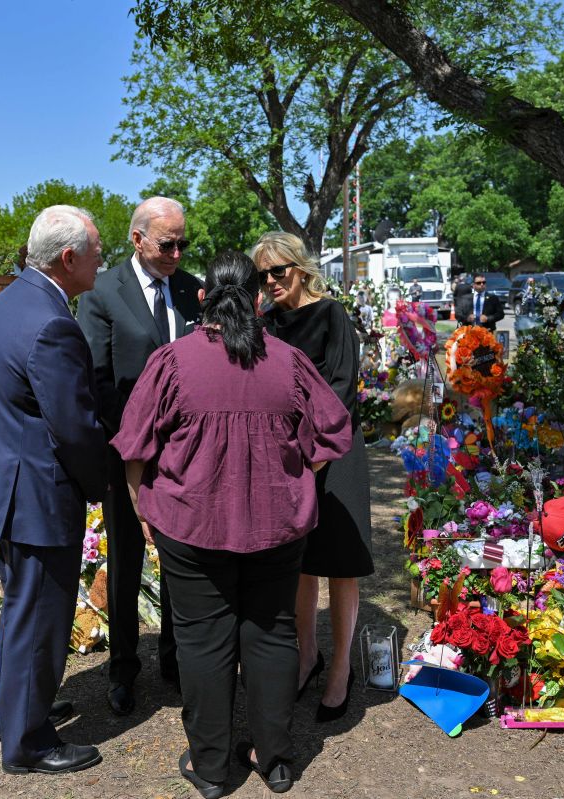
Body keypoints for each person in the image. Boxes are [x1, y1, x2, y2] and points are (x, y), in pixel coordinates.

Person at [112, 251, 352, 797]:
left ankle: (213, 767)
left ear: (203, 299)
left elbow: (134, 446)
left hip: (189, 523)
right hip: (277, 524)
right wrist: (301, 472)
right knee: (271, 633)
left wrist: (140, 506)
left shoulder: (172, 361)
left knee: (202, 639)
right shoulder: (288, 361)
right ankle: (277, 761)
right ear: (259, 298)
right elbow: (333, 431)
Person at [0, 205, 108, 775]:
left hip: (4, 485)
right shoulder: (53, 324)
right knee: (41, 614)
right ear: (69, 258)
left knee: (23, 608)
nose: (102, 262)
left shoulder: (11, 299)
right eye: (97, 252)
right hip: (36, 496)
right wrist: (105, 485)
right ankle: (28, 742)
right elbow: (74, 427)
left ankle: (14, 711)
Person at [76, 196, 203, 716]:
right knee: (126, 561)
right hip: (125, 451)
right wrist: (135, 441)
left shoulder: (194, 289)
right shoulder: (104, 292)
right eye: (166, 243)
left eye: (182, 243)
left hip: (188, 453)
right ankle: (124, 666)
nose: (175, 252)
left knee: (182, 557)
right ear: (137, 239)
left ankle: (174, 659)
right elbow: (96, 377)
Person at [251, 231, 375, 724]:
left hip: (334, 452)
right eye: (263, 275)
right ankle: (306, 656)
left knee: (340, 564)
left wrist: (316, 457)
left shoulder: (331, 316)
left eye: (278, 271)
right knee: (300, 562)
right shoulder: (266, 323)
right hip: (286, 457)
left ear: (301, 268)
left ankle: (340, 668)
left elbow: (342, 391)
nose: (270, 282)